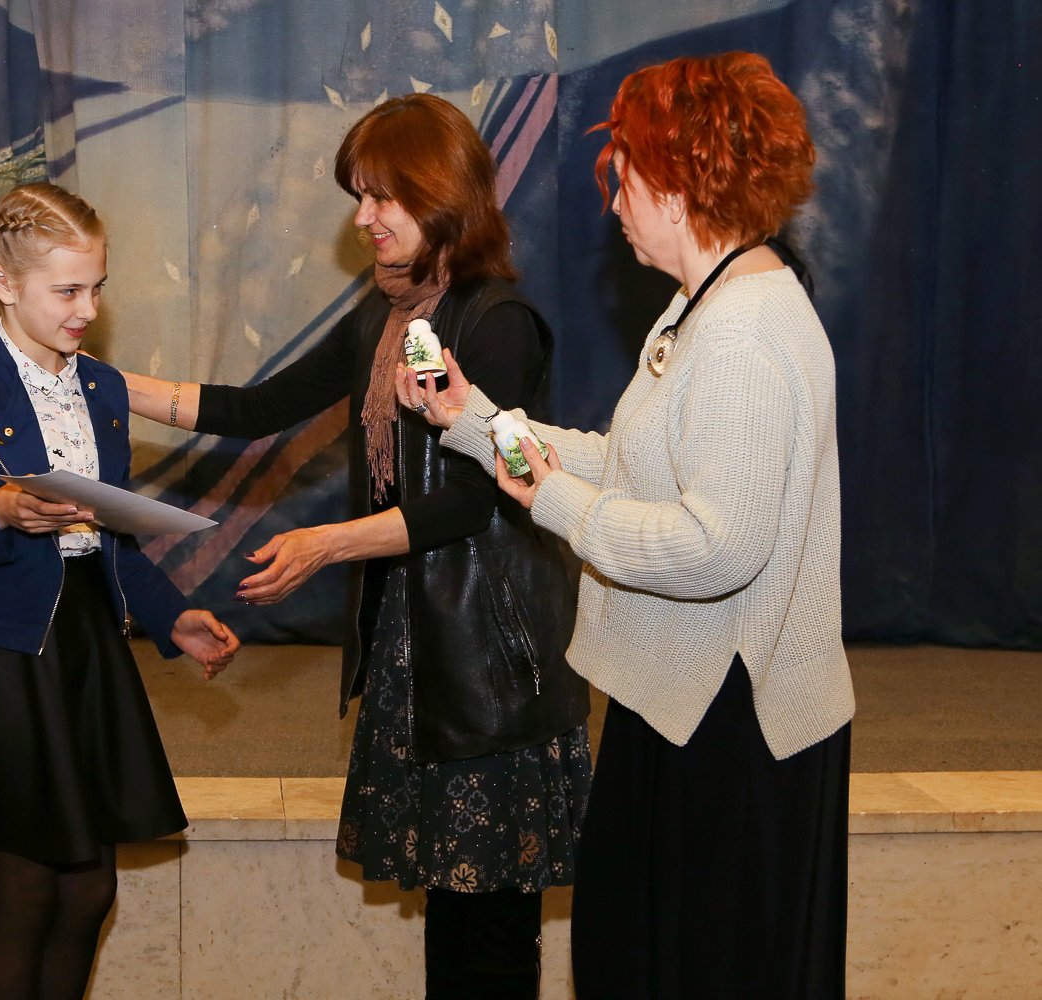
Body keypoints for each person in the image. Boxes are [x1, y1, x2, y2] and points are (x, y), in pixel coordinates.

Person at [399, 53, 854, 999]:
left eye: (628, 177)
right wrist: (475, 421)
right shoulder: (707, 303)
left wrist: (550, 502)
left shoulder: (742, 333)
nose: (614, 204)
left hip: (732, 730)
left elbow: (717, 549)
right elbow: (628, 462)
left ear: (681, 188)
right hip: (687, 703)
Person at [118, 94, 592, 998]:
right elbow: (255, 409)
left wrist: (328, 544)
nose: (363, 218)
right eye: (359, 196)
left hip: (490, 664)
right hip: (421, 649)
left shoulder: (497, 322)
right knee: (451, 907)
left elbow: (472, 500)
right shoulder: (383, 319)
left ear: (441, 194)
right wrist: (106, 384)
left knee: (492, 925)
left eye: (381, 196)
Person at [0, 182, 240, 1000]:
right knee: (28, 894)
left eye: (97, 288)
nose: (87, 310)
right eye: (67, 291)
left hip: (88, 652)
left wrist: (174, 617)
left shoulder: (100, 389)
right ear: (3, 283)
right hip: (2, 662)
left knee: (89, 891)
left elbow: (107, 534)